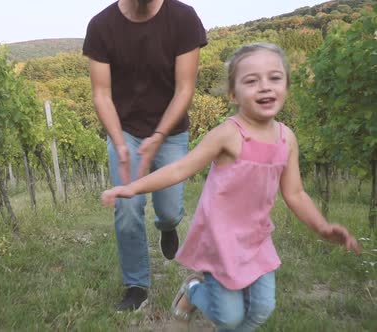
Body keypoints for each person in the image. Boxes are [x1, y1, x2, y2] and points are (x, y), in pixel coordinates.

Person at [101, 42, 362, 330]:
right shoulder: (228, 134)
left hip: (256, 238)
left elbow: (295, 193)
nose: (265, 87)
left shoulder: (287, 139)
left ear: (286, 85)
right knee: (228, 316)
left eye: (274, 78)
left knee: (262, 307)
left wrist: (322, 227)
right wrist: (132, 187)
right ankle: (193, 292)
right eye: (251, 81)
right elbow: (179, 169)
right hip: (220, 239)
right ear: (233, 95)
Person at [83, 0, 208, 311]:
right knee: (127, 205)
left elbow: (184, 89)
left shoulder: (183, 18)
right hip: (125, 128)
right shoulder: (101, 26)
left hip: (171, 130)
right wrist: (119, 142)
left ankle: (167, 226)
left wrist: (158, 136)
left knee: (168, 209)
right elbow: (101, 94)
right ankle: (137, 286)